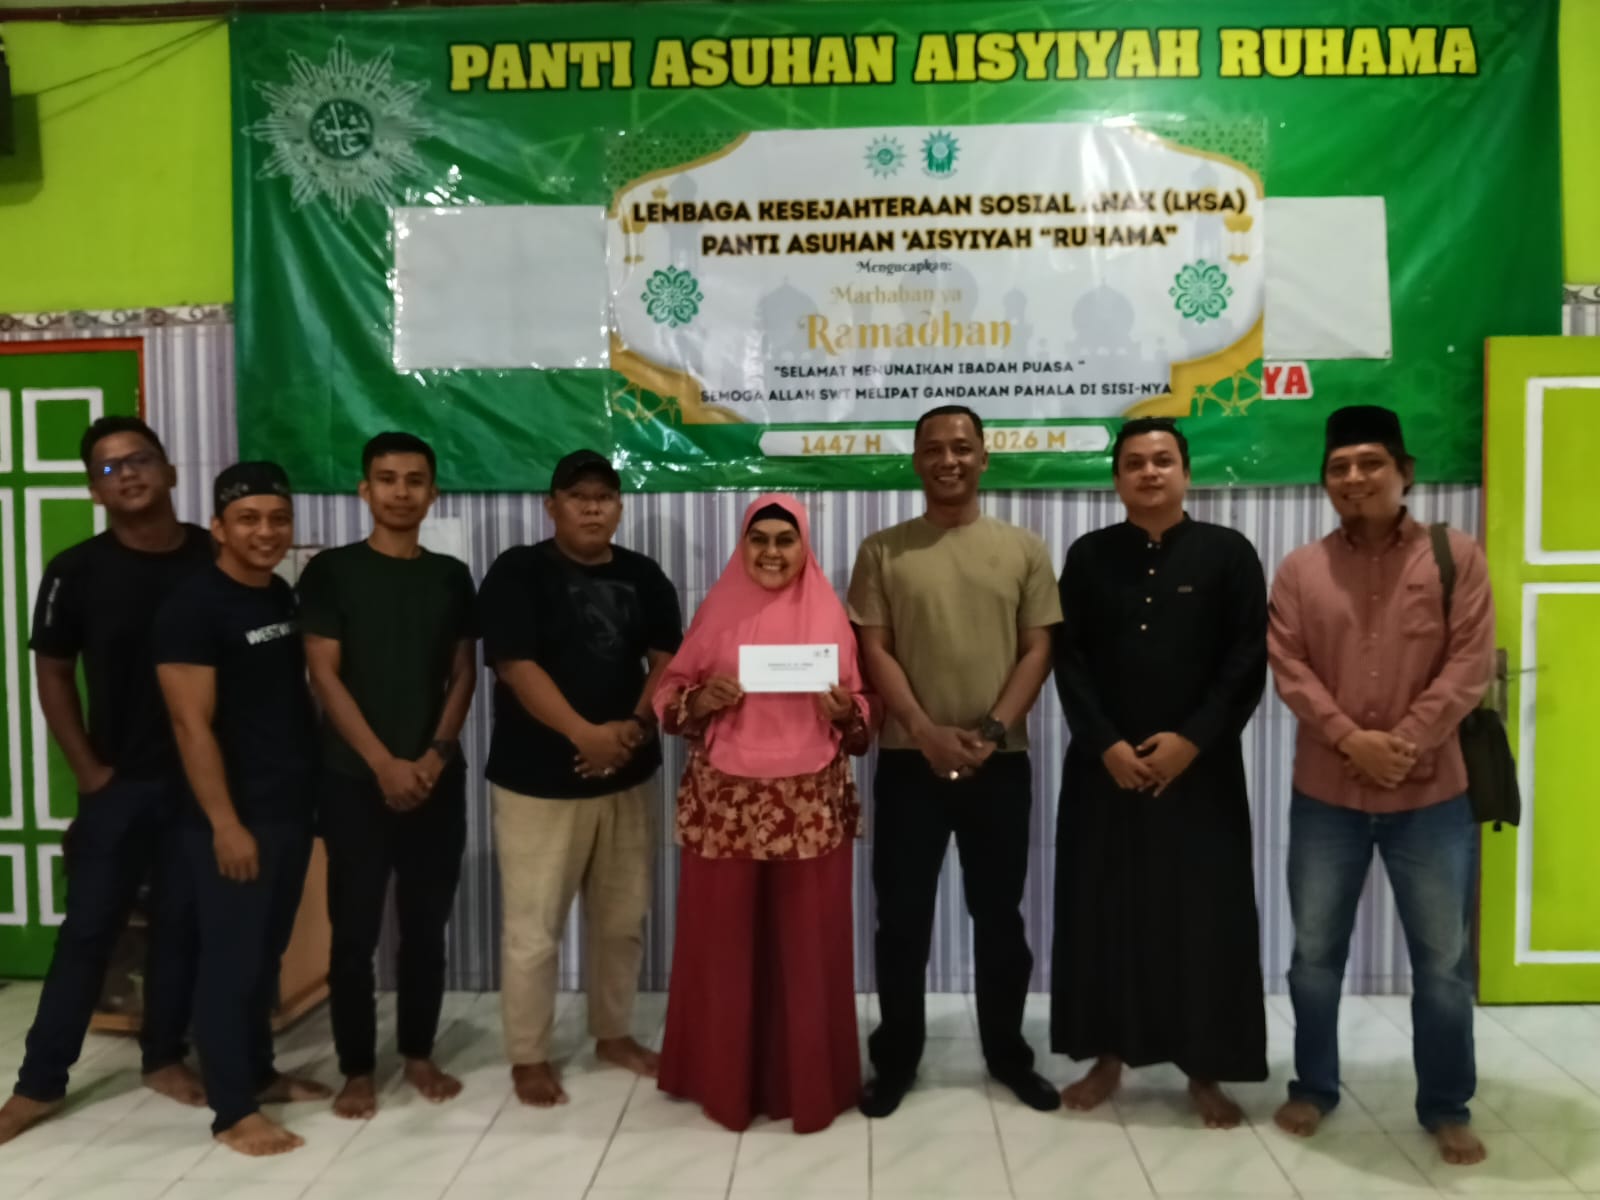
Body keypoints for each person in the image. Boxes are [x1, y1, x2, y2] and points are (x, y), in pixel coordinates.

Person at [1268, 405, 1493, 1166]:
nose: (1354, 478)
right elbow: (1290, 668)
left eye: (1371, 463)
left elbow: (1469, 665)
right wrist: (1351, 739)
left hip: (1431, 798)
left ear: (1406, 472)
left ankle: (1446, 1105)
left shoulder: (1455, 556)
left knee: (1443, 965)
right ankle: (1314, 1085)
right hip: (1326, 797)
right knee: (1314, 956)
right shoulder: (1301, 570)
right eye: (1339, 467)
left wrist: (1401, 744)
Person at [1051, 417, 1268, 1127]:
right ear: (1116, 479)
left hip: (1201, 774)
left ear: (1186, 473)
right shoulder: (1088, 557)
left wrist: (1192, 741)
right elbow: (1068, 659)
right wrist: (1106, 745)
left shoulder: (1228, 554)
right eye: (1136, 462)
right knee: (1103, 911)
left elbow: (1247, 658)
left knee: (1203, 917)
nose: (1150, 472)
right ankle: (1107, 1055)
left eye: (1163, 460)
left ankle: (1205, 1067)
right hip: (1104, 772)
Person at [0, 418, 211, 1146]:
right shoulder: (76, 570)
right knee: (89, 929)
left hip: (201, 783)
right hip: (119, 784)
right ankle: (38, 1084)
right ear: (95, 490)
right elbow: (53, 673)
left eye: (141, 459)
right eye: (111, 468)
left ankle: (164, 1057)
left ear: (170, 472)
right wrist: (89, 770)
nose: (130, 474)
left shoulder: (213, 558)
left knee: (181, 923)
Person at [848, 405, 1062, 1118]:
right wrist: (923, 729)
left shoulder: (1024, 549)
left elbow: (1039, 647)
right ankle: (896, 1059)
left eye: (963, 448)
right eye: (935, 449)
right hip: (909, 764)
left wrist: (993, 731)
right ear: (916, 460)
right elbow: (874, 649)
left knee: (999, 917)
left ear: (984, 457)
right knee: (901, 920)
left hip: (1000, 764)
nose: (949, 460)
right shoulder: (882, 550)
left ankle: (1007, 1054)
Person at [654, 494, 872, 1133]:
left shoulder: (829, 615)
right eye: (760, 539)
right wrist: (701, 699)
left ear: (804, 547)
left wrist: (846, 712)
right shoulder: (717, 611)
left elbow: (863, 709)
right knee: (724, 946)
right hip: (727, 804)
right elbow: (668, 696)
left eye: (785, 540)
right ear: (742, 545)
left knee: (808, 946)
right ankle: (723, 1083)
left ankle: (807, 1085)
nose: (772, 552)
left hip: (808, 805)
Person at [477, 449, 683, 1107]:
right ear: (552, 506)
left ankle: (613, 1033)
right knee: (533, 930)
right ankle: (529, 1055)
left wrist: (632, 729)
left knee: (621, 922)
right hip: (538, 782)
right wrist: (584, 734)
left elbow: (668, 662)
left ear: (619, 506)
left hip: (629, 775)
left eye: (604, 497)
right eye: (578, 496)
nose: (592, 508)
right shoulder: (519, 571)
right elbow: (515, 666)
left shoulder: (644, 575)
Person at [297, 433, 477, 1120]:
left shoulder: (450, 576)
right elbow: (324, 675)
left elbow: (462, 673)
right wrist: (382, 763)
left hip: (436, 781)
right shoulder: (332, 572)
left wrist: (433, 757)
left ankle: (419, 1052)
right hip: (353, 780)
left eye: (414, 480)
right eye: (387, 478)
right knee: (353, 932)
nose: (401, 492)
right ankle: (356, 1068)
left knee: (425, 928)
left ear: (433, 492)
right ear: (364, 490)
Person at [153, 461, 330, 1156]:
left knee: (264, 955)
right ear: (218, 528)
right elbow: (190, 725)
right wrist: (225, 824)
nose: (266, 532)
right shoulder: (193, 607)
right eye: (248, 519)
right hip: (232, 818)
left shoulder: (277, 595)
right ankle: (232, 1111)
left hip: (289, 807)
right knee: (230, 962)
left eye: (277, 519)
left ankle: (258, 1072)